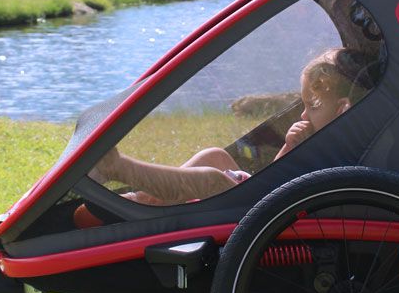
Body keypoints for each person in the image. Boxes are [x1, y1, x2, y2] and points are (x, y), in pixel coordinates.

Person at [92, 47, 378, 206]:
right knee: (213, 156)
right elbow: (276, 176)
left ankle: (118, 169)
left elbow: (282, 193)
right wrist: (290, 147)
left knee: (209, 178)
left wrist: (295, 147)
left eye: (313, 106)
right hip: (257, 199)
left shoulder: (337, 151)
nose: (303, 115)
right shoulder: (320, 135)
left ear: (343, 109)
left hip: (254, 211)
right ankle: (142, 201)